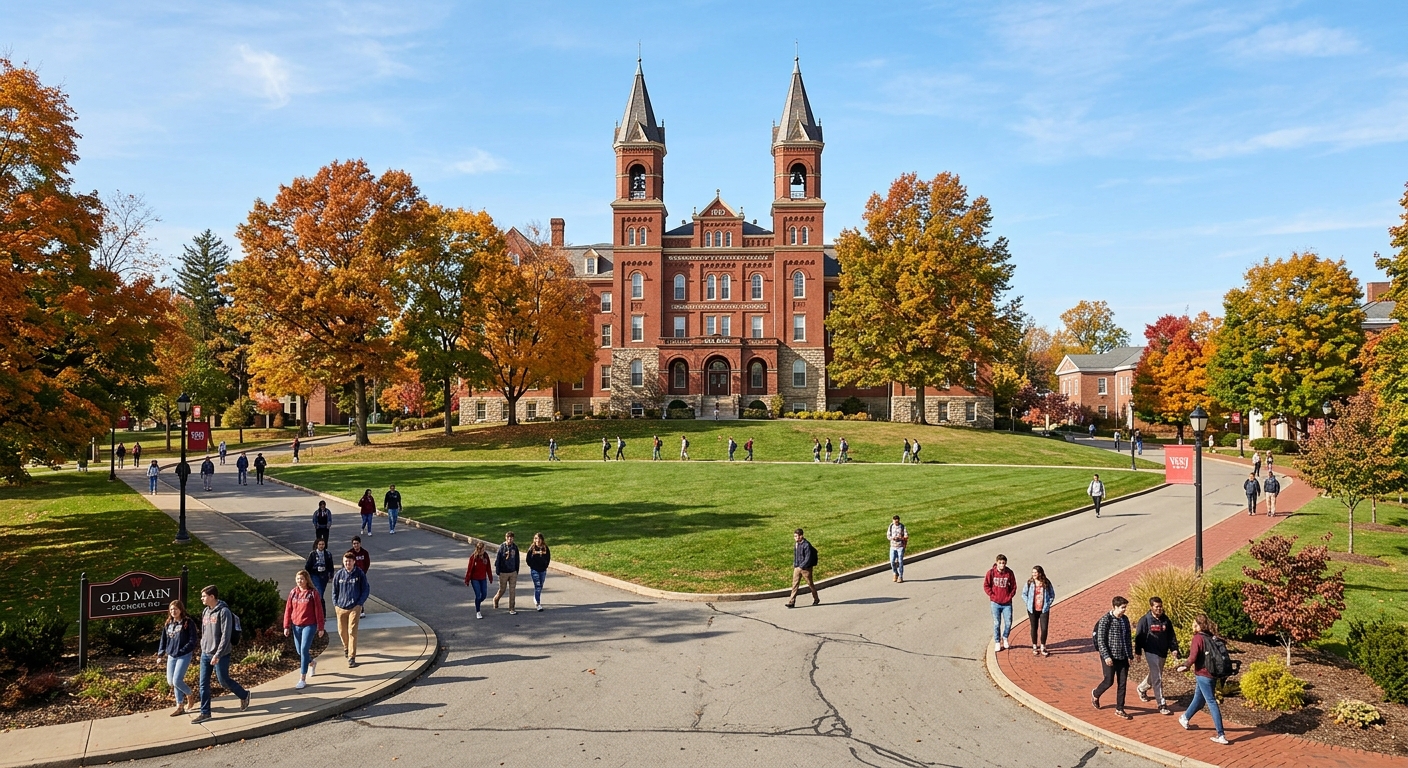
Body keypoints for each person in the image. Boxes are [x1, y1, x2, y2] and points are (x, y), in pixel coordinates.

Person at [191, 585, 250, 723]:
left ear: (212, 597)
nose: (202, 598)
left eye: (204, 596)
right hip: (206, 653)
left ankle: (244, 694)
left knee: (223, 681)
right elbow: (204, 632)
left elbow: (225, 635)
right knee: (203, 684)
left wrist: (217, 654)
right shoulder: (205, 611)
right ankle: (205, 713)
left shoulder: (224, 612)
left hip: (221, 654)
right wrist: (202, 648)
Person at [1177, 615, 1230, 744]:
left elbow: (1193, 656)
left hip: (1203, 674)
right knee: (1199, 699)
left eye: (1194, 623)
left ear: (1197, 625)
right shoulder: (1210, 637)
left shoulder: (1198, 638)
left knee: (1211, 702)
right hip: (1212, 674)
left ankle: (1221, 734)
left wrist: (1184, 666)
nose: (1192, 625)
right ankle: (1185, 717)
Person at [1134, 596, 1179, 716]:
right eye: (1156, 607)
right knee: (1157, 677)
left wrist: (1174, 648)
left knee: (1155, 674)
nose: (1159, 609)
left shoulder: (1165, 620)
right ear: (1151, 607)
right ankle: (1161, 704)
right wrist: (1138, 652)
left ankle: (1142, 688)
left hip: (1162, 652)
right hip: (1150, 652)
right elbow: (1139, 637)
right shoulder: (1145, 620)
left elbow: (1171, 636)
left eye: (1160, 607)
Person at [1092, 595, 1134, 720]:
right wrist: (1106, 656)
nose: (1124, 610)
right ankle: (1096, 693)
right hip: (1110, 657)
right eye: (1122, 607)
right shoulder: (1106, 620)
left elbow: (1127, 638)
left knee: (1122, 683)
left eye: (1125, 607)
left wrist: (1130, 655)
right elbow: (1101, 640)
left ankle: (1120, 709)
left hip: (1122, 657)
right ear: (1115, 607)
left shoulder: (1125, 620)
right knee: (1109, 681)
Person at [283, 570, 325, 689]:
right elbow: (288, 610)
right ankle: (311, 663)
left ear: (307, 580)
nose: (299, 581)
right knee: (300, 652)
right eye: (297, 579)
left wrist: (320, 627)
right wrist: (286, 626)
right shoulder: (293, 593)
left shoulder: (312, 593)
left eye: (301, 579)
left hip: (309, 625)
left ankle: (302, 678)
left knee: (304, 649)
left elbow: (319, 611)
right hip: (296, 625)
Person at [156, 599, 198, 716]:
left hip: (184, 655)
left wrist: (183, 650)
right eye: (171, 609)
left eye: (175, 609)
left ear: (181, 609)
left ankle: (184, 700)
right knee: (171, 681)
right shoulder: (169, 623)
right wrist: (160, 654)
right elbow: (163, 640)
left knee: (177, 680)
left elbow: (193, 640)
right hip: (172, 655)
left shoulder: (187, 623)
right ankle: (183, 700)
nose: (173, 611)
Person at [331, 552, 369, 667]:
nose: (348, 563)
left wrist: (359, 604)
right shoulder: (339, 575)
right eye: (346, 561)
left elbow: (366, 589)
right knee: (342, 632)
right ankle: (346, 647)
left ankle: (352, 657)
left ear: (354, 562)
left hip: (354, 607)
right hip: (341, 607)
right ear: (343, 562)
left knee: (352, 631)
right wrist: (336, 604)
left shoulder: (359, 574)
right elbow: (334, 590)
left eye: (350, 561)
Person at [983, 554, 1017, 651]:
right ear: (997, 563)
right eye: (1000, 563)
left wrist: (1009, 596)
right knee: (997, 623)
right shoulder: (991, 573)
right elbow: (986, 585)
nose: (1002, 565)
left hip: (1007, 603)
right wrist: (992, 595)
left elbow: (1014, 586)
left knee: (1008, 622)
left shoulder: (1009, 573)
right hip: (995, 603)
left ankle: (1005, 637)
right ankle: (997, 641)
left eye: (1003, 563)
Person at [1022, 566, 1055, 656]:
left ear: (1040, 573)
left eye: (1035, 572)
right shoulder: (1030, 583)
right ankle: (1034, 646)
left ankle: (1043, 646)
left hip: (1043, 609)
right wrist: (1028, 603)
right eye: (1033, 572)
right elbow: (1024, 594)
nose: (1034, 574)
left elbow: (1052, 594)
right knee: (1034, 628)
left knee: (1044, 628)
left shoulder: (1046, 583)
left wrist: (1048, 604)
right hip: (1032, 610)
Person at [785, 528, 819, 608]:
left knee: (810, 584)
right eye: (794, 536)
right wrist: (795, 564)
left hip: (806, 569)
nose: (795, 538)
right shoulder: (796, 544)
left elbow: (808, 558)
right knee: (794, 585)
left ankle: (816, 599)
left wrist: (801, 566)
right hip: (797, 567)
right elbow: (796, 555)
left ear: (801, 536)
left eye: (797, 536)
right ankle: (791, 602)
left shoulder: (806, 545)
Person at [464, 541, 494, 619]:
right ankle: (478, 611)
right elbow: (469, 569)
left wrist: (490, 577)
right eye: (482, 549)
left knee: (484, 595)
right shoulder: (473, 557)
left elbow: (488, 567)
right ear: (479, 549)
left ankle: (478, 603)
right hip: (475, 579)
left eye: (484, 549)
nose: (484, 551)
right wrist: (467, 580)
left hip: (483, 578)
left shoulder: (486, 556)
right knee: (478, 595)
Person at [494, 531, 521, 614]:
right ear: (506, 538)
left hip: (512, 572)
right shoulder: (502, 547)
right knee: (502, 589)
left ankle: (511, 608)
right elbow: (498, 560)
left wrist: (516, 570)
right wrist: (498, 571)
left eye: (511, 537)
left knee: (512, 590)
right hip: (503, 572)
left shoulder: (515, 548)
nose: (510, 539)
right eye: (508, 537)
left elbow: (517, 560)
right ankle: (496, 599)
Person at [305, 538, 335, 612]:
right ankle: (321, 612)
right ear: (316, 545)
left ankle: (320, 612)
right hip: (315, 575)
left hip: (324, 576)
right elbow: (307, 566)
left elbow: (330, 566)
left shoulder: (328, 554)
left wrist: (331, 575)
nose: (321, 546)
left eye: (323, 544)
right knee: (319, 593)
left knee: (320, 593)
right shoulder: (312, 554)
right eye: (320, 544)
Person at [526, 533, 551, 611]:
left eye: (539, 539)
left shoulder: (545, 548)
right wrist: (532, 566)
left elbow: (548, 558)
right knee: (538, 586)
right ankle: (538, 603)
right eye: (536, 539)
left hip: (543, 570)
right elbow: (528, 559)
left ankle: (536, 597)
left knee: (540, 586)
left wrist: (545, 565)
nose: (538, 540)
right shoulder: (532, 548)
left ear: (542, 540)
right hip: (535, 570)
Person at [887, 515, 907, 583]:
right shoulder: (891, 526)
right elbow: (888, 535)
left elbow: (906, 536)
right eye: (895, 521)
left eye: (897, 521)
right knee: (892, 561)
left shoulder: (902, 526)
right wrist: (892, 538)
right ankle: (895, 573)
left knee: (900, 562)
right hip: (892, 546)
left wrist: (900, 538)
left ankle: (900, 576)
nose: (896, 523)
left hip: (900, 547)